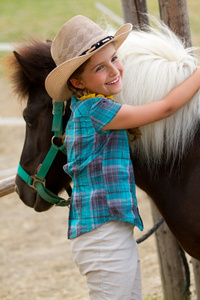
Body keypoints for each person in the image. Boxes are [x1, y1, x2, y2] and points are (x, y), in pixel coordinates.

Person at [45, 15, 200, 300]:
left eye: (115, 59)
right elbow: (166, 108)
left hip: (112, 230)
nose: (114, 70)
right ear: (78, 83)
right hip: (103, 236)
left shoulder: (95, 108)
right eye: (100, 68)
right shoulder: (95, 110)